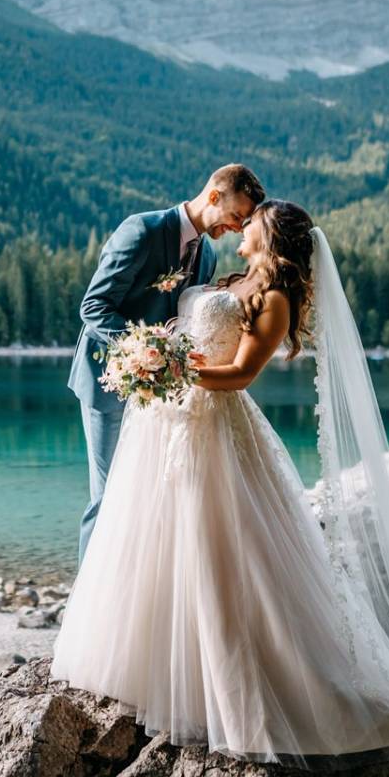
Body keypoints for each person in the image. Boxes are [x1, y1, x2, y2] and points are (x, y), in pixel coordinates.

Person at [51, 198, 389, 777]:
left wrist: (171, 368)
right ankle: (149, 662)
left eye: (249, 229)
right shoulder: (232, 278)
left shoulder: (276, 300)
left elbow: (238, 375)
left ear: (271, 238)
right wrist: (158, 361)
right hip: (166, 422)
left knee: (223, 551)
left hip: (210, 422)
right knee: (155, 540)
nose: (237, 238)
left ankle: (241, 682)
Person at [67, 163, 263, 565]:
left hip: (162, 392)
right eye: (236, 216)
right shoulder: (142, 230)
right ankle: (86, 608)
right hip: (110, 380)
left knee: (148, 499)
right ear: (214, 196)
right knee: (107, 498)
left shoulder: (206, 253)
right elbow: (93, 307)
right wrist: (146, 348)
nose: (239, 227)